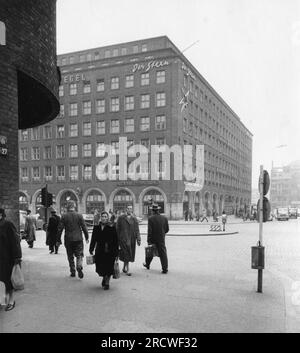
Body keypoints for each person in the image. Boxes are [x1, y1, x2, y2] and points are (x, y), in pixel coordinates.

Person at [57, 200, 89, 278]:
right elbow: (84, 227)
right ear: (74, 206)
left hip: (68, 239)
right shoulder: (79, 215)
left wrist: (58, 239)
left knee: (70, 256)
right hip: (78, 239)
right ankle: (79, 265)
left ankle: (73, 271)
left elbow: (60, 229)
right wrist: (86, 237)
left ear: (67, 207)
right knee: (79, 254)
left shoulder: (64, 216)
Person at [89, 211, 119, 290]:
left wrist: (116, 252)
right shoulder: (97, 227)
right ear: (100, 218)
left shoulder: (112, 227)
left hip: (110, 251)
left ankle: (107, 283)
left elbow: (116, 240)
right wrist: (91, 248)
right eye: (103, 216)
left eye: (105, 216)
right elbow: (93, 239)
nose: (104, 218)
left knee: (108, 266)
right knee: (100, 266)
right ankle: (104, 277)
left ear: (108, 218)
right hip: (99, 250)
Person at [0, 208, 22, 311]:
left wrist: (17, 257)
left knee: (7, 280)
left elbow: (15, 241)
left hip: (6, 258)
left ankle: (11, 300)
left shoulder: (7, 224)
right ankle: (2, 300)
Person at [143, 203, 169, 274]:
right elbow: (167, 229)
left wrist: (149, 240)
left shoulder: (151, 218)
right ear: (158, 210)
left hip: (153, 239)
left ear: (152, 211)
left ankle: (147, 265)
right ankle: (165, 269)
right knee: (163, 253)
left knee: (150, 252)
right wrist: (162, 234)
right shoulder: (164, 218)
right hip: (161, 238)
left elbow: (149, 231)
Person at [116, 205, 141, 276]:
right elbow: (117, 229)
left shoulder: (134, 218)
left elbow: (137, 229)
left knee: (129, 253)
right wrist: (116, 240)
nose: (130, 210)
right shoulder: (121, 218)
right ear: (126, 209)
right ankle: (127, 268)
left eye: (131, 209)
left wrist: (138, 239)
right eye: (128, 209)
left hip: (132, 238)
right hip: (123, 238)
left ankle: (124, 267)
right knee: (126, 253)